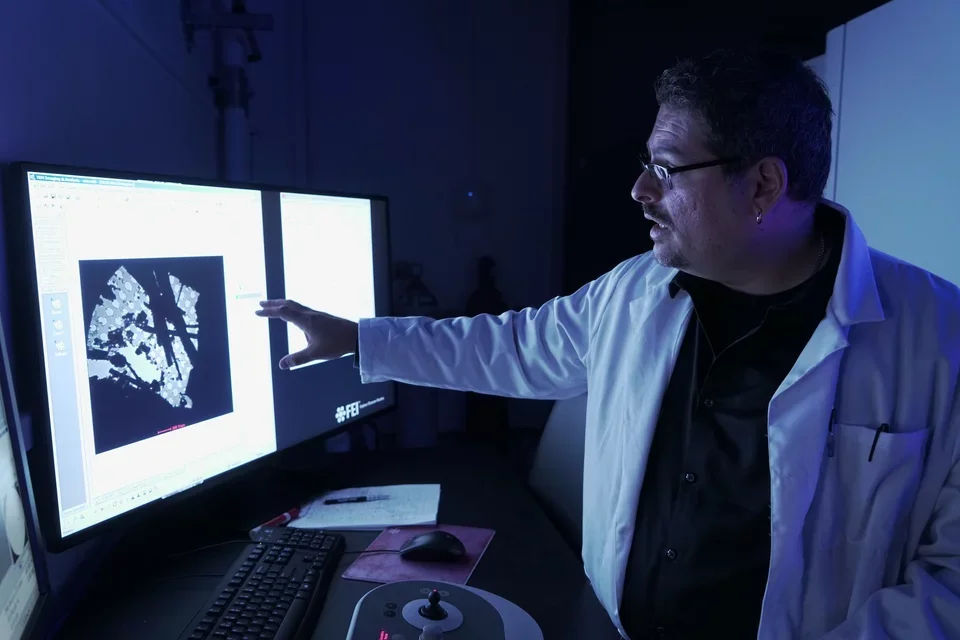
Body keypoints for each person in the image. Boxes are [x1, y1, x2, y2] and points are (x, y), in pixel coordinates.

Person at [256, 46, 960, 639]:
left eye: (666, 168)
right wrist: (357, 339)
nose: (639, 189)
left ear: (763, 186)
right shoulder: (634, 292)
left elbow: (950, 579)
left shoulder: (937, 338)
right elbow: (507, 347)